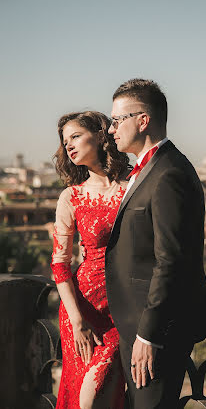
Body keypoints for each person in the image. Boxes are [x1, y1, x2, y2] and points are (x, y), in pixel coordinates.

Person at [105, 79, 206, 408]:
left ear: (143, 120)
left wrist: (148, 334)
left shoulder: (169, 173)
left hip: (154, 333)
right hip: (135, 326)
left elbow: (170, 261)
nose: (112, 130)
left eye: (117, 120)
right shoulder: (149, 170)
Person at [51, 111, 129, 409]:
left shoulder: (131, 189)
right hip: (82, 309)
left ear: (99, 135)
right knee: (88, 398)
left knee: (101, 396)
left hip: (122, 306)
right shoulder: (71, 197)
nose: (68, 145)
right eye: (64, 140)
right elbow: (60, 265)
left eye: (75, 136)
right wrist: (78, 319)